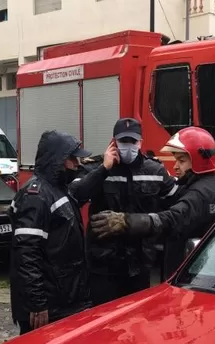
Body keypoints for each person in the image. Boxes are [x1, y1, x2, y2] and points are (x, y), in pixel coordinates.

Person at [89, 126, 215, 279]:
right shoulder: (208, 187)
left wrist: (125, 221)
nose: (175, 166)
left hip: (187, 276)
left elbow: (171, 218)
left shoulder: (199, 193)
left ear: (199, 161)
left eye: (181, 161)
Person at [69, 118, 175, 306]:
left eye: (132, 141)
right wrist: (104, 168)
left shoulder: (155, 170)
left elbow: (178, 202)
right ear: (113, 142)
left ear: (141, 142)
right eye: (123, 141)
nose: (128, 146)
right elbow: (76, 196)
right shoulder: (97, 167)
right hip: (104, 267)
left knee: (136, 322)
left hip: (139, 266)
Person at [11, 130, 91, 335]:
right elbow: (27, 253)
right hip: (48, 308)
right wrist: (37, 303)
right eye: (72, 158)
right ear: (58, 160)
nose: (77, 164)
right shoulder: (36, 196)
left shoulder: (58, 189)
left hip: (65, 302)